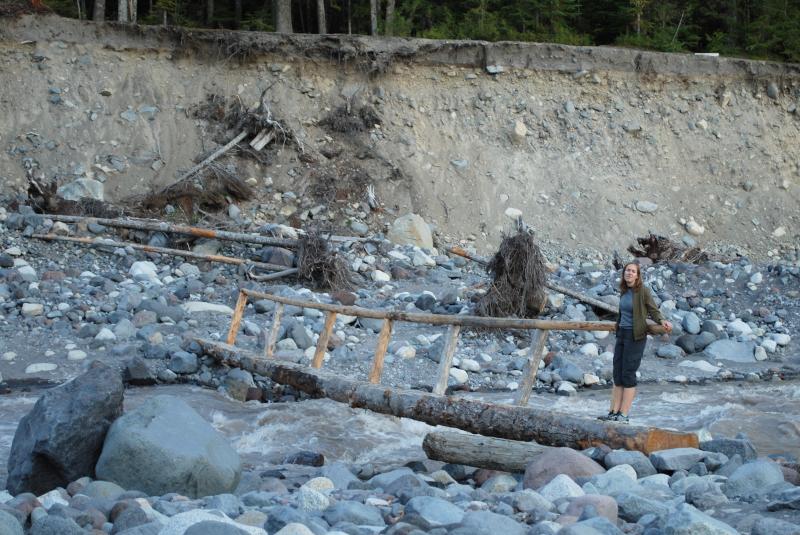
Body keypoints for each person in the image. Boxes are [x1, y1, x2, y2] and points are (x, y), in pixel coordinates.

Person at [599, 261, 672, 424]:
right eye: (627, 271)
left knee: (628, 374)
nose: (629, 273)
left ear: (638, 275)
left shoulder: (643, 291)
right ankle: (613, 412)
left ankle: (624, 415)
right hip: (621, 334)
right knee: (617, 374)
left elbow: (653, 309)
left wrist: (662, 321)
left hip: (635, 336)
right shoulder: (624, 291)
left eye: (633, 271)